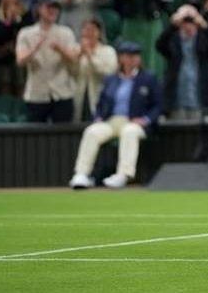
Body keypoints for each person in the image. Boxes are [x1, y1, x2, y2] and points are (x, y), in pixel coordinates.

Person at [69, 41, 164, 189]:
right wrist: (98, 117)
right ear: (121, 58)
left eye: (136, 55)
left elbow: (158, 105)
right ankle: (81, 174)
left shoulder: (148, 78)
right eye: (129, 55)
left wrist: (146, 120)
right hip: (112, 121)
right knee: (92, 132)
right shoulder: (111, 79)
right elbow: (101, 104)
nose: (133, 59)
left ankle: (123, 174)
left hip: (134, 122)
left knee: (129, 132)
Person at [15, 0, 79, 123]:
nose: (53, 11)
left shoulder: (66, 32)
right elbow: (20, 61)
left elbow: (74, 59)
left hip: (62, 93)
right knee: (35, 137)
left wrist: (60, 49)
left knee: (63, 135)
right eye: (49, 7)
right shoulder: (26, 33)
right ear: (39, 9)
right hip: (36, 94)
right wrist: (35, 48)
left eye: (55, 8)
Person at [156, 4, 208, 120]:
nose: (188, 25)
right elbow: (160, 44)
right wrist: (172, 26)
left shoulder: (201, 42)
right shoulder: (174, 42)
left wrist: (203, 25)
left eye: (191, 21)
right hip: (176, 101)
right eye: (185, 22)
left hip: (197, 100)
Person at [71, 19, 118, 123]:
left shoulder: (108, 51)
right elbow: (71, 73)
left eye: (92, 30)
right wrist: (78, 56)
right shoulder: (76, 49)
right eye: (86, 29)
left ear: (99, 33)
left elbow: (109, 73)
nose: (89, 33)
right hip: (79, 95)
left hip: (99, 95)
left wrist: (90, 56)